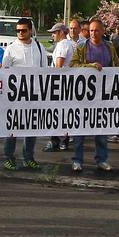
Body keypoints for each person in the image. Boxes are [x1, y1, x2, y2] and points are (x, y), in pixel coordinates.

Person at [69, 17, 119, 172]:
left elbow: (117, 68)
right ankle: (77, 160)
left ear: (103, 31)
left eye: (96, 30)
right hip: (84, 96)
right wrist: (89, 66)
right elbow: (73, 65)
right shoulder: (81, 47)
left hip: (103, 96)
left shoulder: (109, 47)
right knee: (80, 130)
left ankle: (101, 159)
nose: (93, 33)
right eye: (91, 30)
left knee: (101, 130)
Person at [0, 18, 45, 170]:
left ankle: (28, 157)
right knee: (12, 128)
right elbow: (4, 72)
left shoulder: (39, 47)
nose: (20, 33)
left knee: (31, 128)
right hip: (16, 96)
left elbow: (45, 70)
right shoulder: (11, 48)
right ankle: (8, 157)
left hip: (34, 95)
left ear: (31, 30)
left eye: (23, 30)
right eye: (18, 30)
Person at [44, 23, 75, 153]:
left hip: (60, 84)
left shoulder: (62, 45)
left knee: (56, 113)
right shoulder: (72, 44)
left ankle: (55, 141)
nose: (53, 35)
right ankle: (65, 141)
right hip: (69, 84)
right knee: (67, 114)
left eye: (55, 32)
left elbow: (59, 66)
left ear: (61, 32)